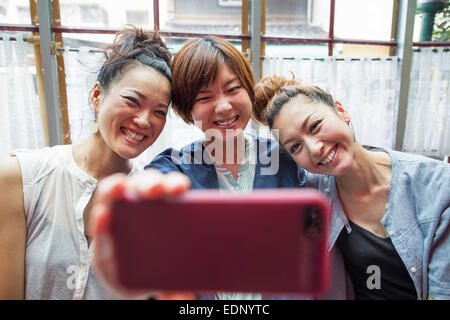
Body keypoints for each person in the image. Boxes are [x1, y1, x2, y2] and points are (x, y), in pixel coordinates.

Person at [89, 36, 322, 300]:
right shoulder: (174, 168)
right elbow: (149, 216)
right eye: (204, 97)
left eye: (233, 89)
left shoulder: (286, 160)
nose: (223, 107)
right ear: (188, 110)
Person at [0, 25, 174, 299]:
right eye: (132, 101)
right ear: (97, 96)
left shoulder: (152, 203)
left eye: (159, 112)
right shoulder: (20, 178)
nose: (144, 121)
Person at [252, 74, 450, 300]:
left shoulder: (438, 186)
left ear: (341, 110)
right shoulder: (311, 196)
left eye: (315, 126)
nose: (315, 149)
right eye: (296, 147)